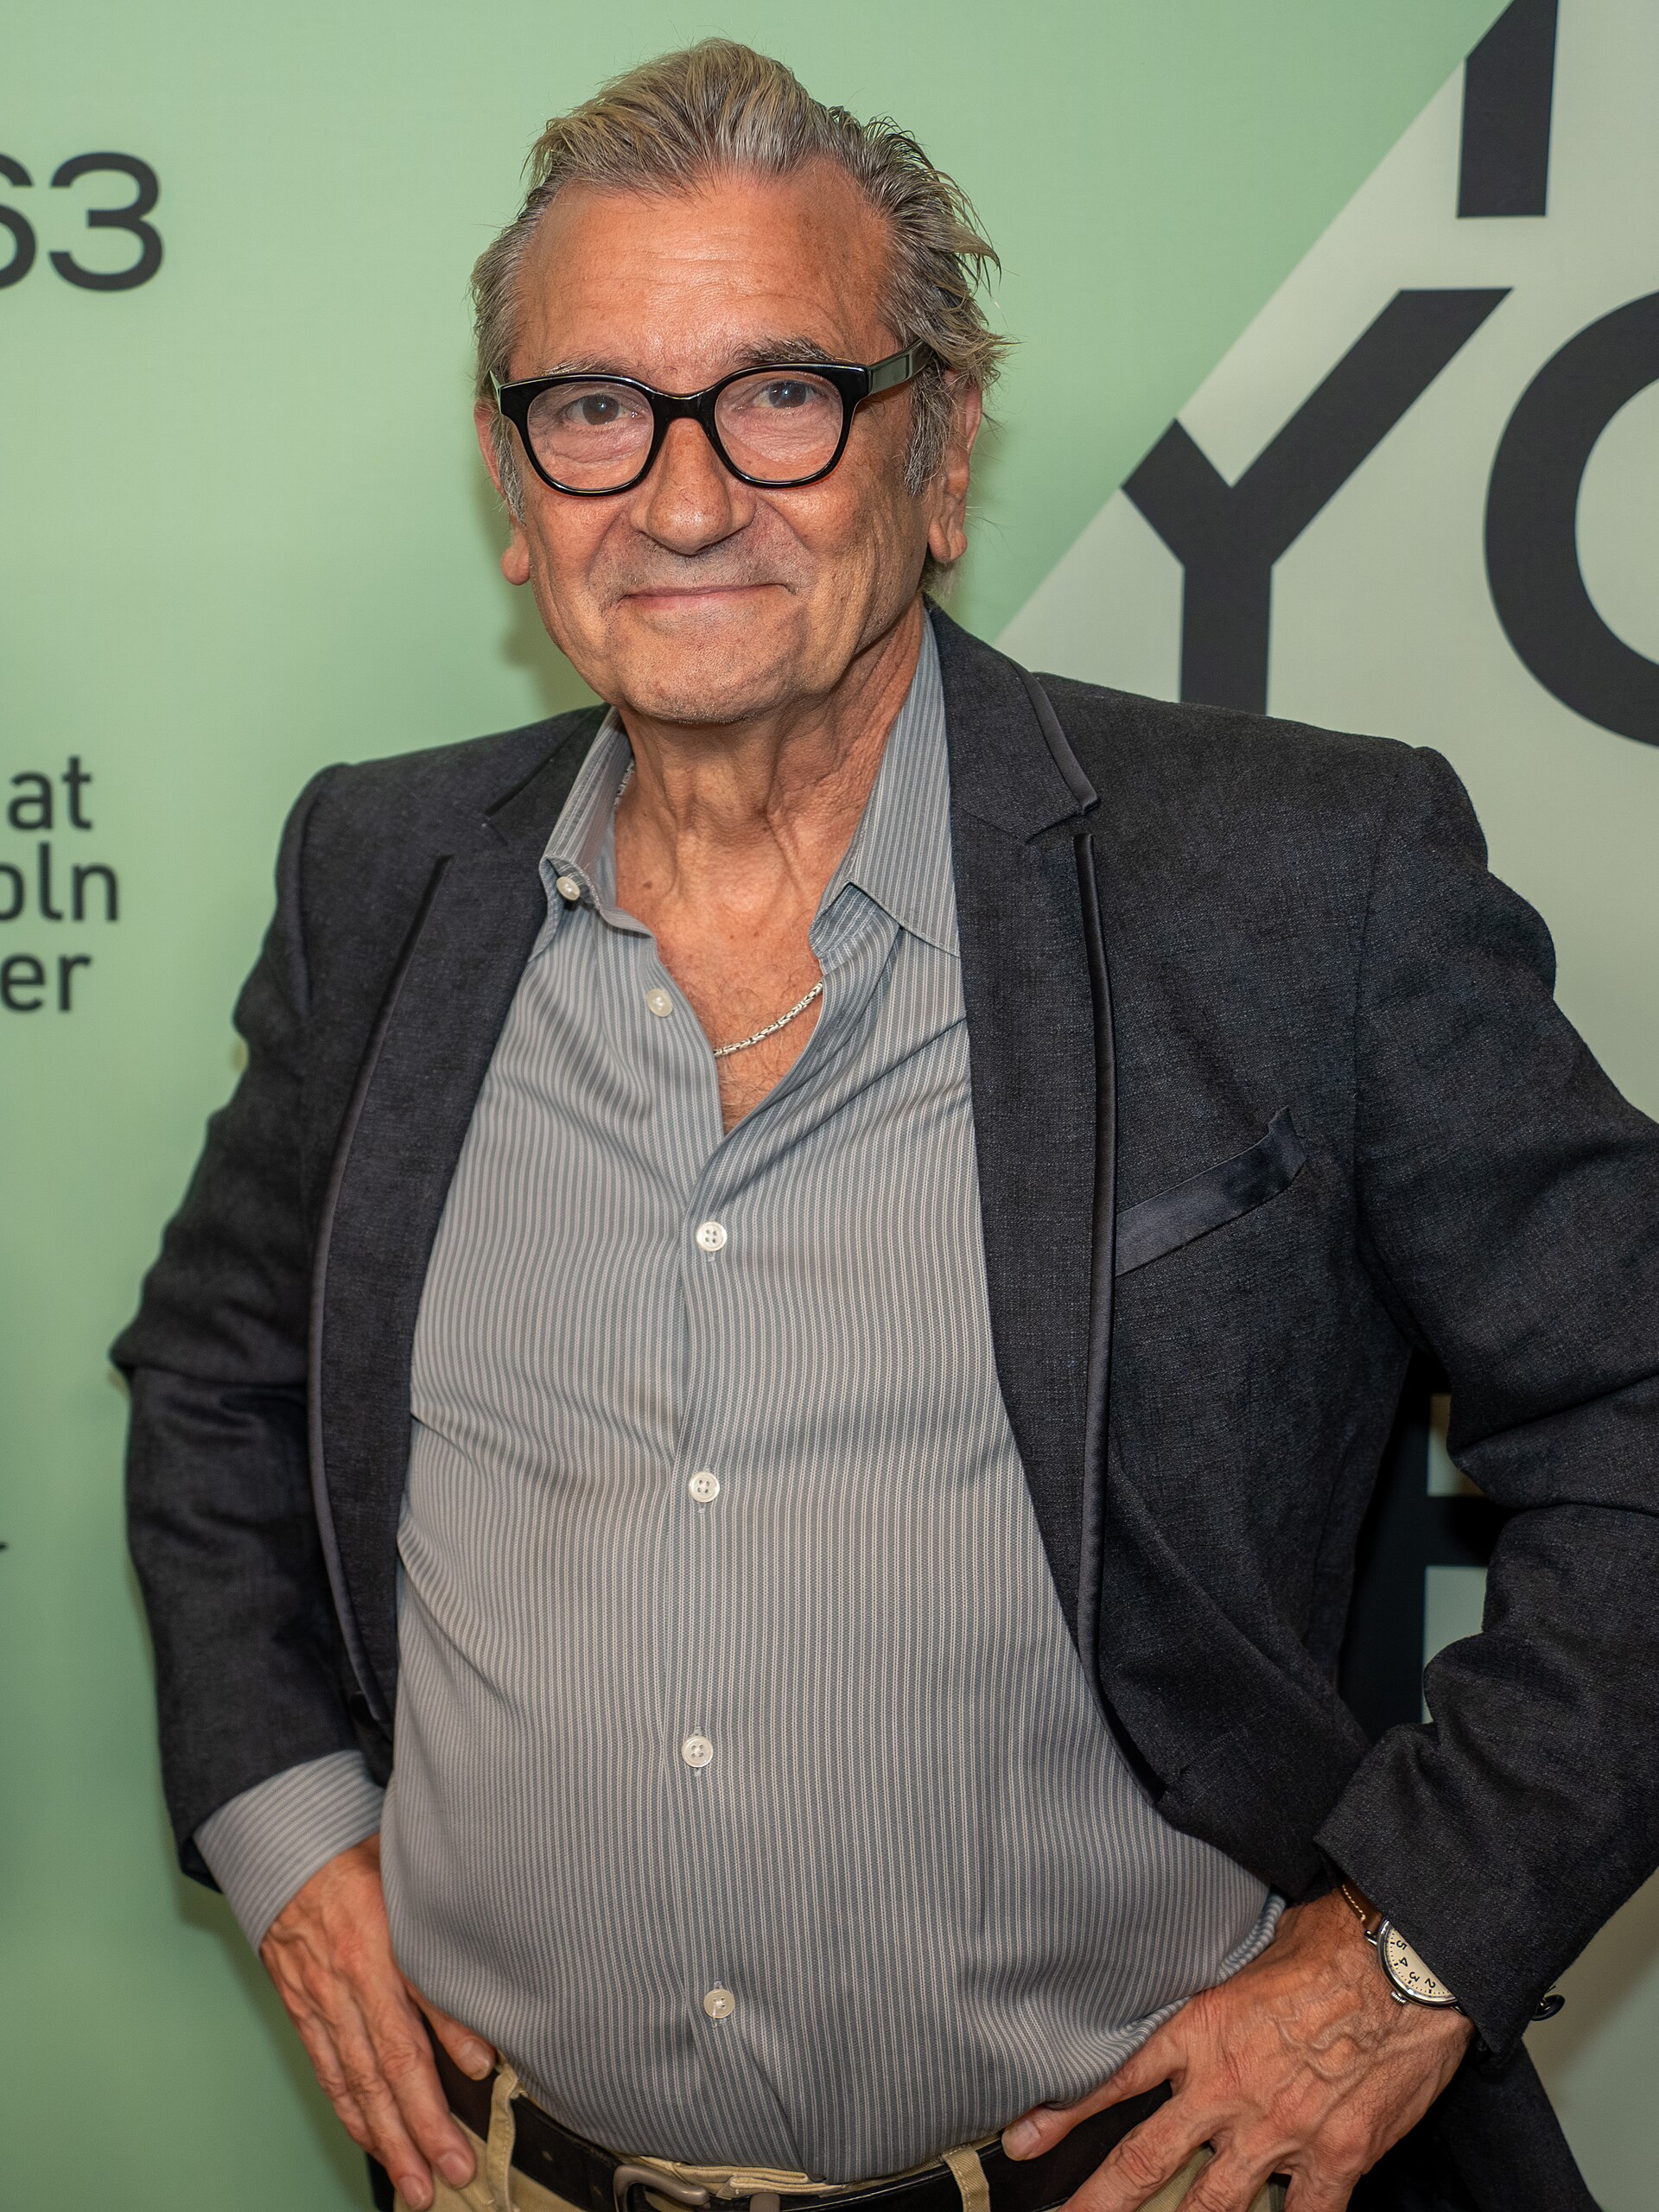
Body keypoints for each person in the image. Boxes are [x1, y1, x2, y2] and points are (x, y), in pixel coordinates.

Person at [118, 40, 1658, 2212]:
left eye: (780, 394)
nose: (677, 495)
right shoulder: (381, 882)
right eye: (594, 409)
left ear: (935, 452)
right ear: (511, 478)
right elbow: (215, 1380)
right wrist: (285, 1818)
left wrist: (1409, 1954)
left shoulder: (1302, 881)